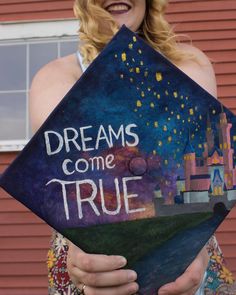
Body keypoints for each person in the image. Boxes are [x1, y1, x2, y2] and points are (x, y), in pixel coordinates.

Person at [29, 0, 236, 294]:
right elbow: (65, 185)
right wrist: (83, 255)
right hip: (88, 256)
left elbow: (203, 167)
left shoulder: (188, 63)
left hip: (186, 248)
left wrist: (192, 249)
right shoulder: (55, 78)